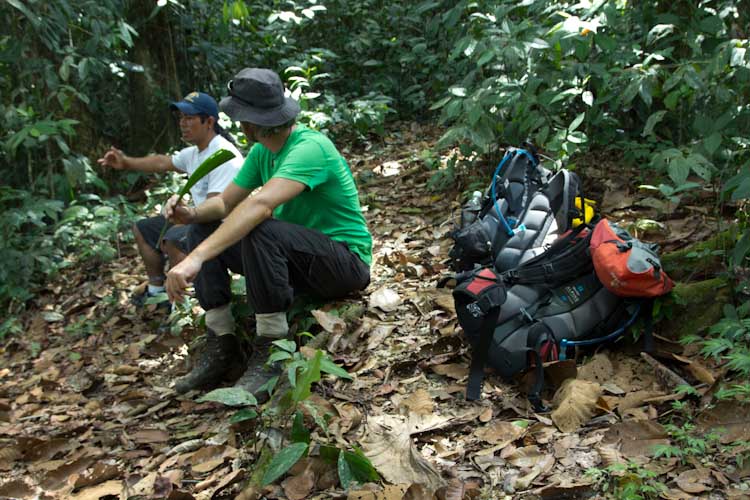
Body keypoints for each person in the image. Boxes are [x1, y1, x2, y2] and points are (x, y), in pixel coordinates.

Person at [163, 68, 372, 396]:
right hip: (297, 263)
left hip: (344, 264)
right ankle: (221, 342)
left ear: (247, 123)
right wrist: (190, 214)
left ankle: (272, 348)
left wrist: (195, 259)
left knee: (261, 229)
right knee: (203, 227)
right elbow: (224, 205)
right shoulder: (263, 151)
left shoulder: (310, 147)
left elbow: (259, 205)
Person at [97, 92, 244, 306]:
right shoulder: (195, 153)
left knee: (174, 238)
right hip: (195, 219)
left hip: (219, 228)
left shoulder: (223, 155)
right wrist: (125, 162)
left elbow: (219, 207)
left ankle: (186, 304)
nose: (183, 124)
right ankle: (157, 290)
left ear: (209, 121)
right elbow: (160, 162)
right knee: (144, 228)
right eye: (181, 118)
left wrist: (188, 214)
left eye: (189, 118)